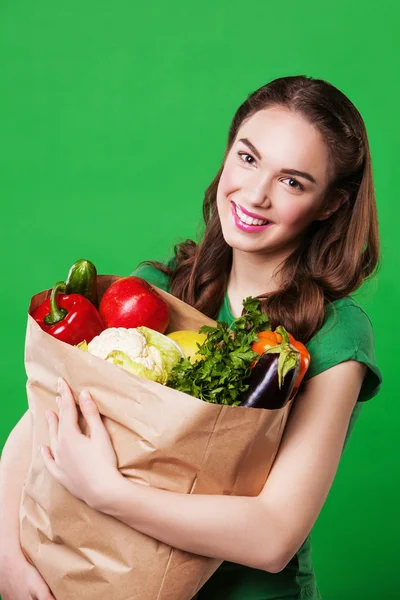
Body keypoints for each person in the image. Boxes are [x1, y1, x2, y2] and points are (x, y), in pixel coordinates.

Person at [0, 75, 383, 600]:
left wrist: (109, 493)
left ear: (331, 205)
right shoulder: (155, 294)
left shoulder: (333, 335)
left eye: (293, 182)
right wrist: (8, 560)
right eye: (248, 159)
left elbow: (273, 535)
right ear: (228, 155)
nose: (256, 194)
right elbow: (39, 422)